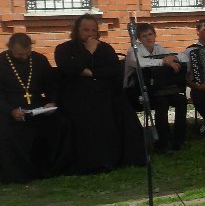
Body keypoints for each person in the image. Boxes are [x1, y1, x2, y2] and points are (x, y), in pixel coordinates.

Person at [54, 14, 145, 173]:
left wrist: (90, 73)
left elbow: (113, 71)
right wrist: (89, 52)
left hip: (105, 92)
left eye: (93, 30)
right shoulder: (64, 49)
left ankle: (126, 158)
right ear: (77, 31)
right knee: (90, 111)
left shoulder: (105, 48)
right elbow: (69, 68)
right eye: (86, 30)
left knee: (124, 110)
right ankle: (94, 161)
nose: (90, 34)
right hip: (77, 95)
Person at [0, 33, 72, 182]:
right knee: (6, 133)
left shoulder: (39, 60)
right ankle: (19, 173)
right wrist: (11, 110)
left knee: (61, 124)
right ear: (10, 48)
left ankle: (52, 168)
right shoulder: (2, 62)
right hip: (10, 110)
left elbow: (51, 85)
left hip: (37, 108)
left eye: (27, 54)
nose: (24, 57)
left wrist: (52, 102)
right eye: (20, 55)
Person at [123, 23, 187, 153]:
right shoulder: (133, 51)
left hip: (158, 89)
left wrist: (174, 58)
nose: (148, 38)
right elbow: (141, 63)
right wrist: (164, 61)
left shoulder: (159, 48)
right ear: (139, 38)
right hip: (136, 91)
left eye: (150, 34)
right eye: (144, 36)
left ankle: (179, 140)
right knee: (161, 102)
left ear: (155, 35)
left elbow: (184, 57)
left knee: (181, 101)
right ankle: (162, 143)